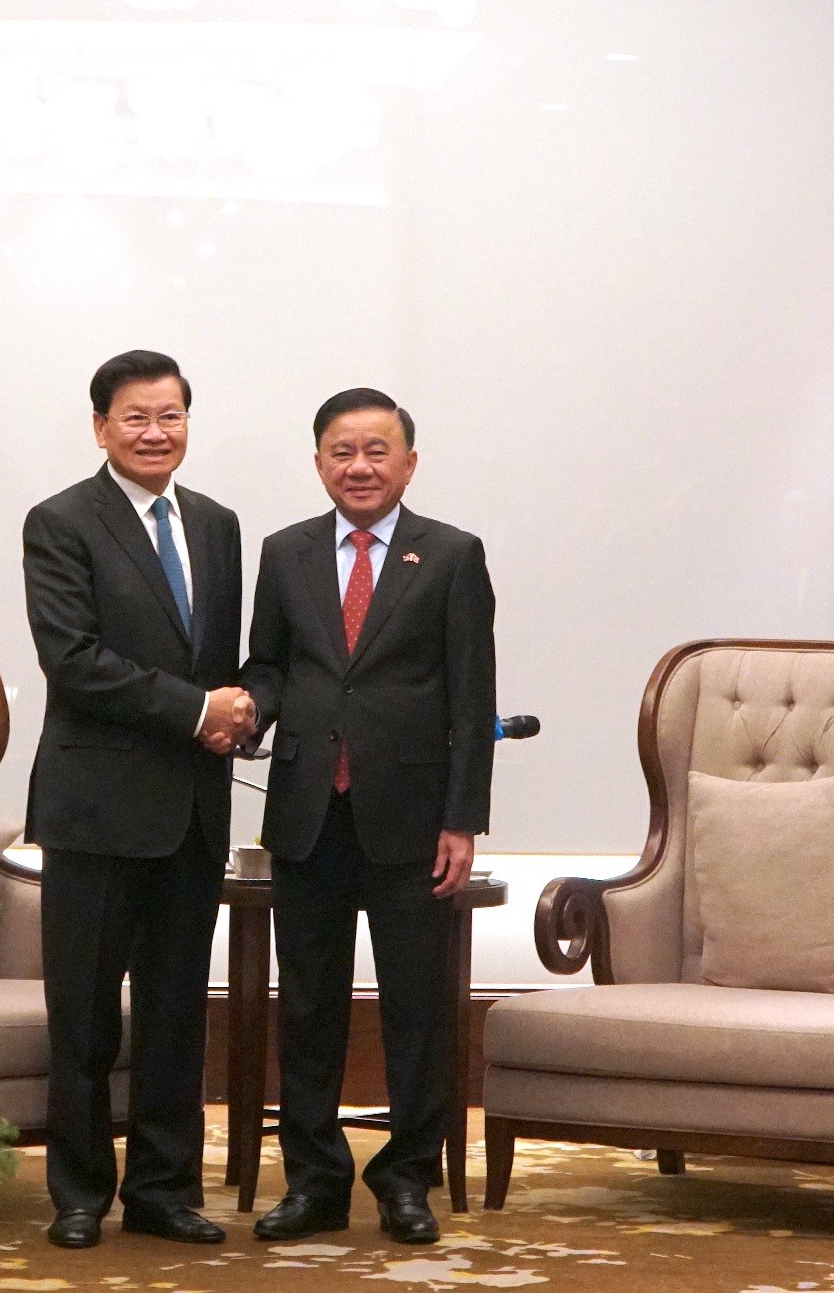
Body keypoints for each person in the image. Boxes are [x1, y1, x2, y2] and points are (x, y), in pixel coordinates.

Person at [240, 388, 495, 1247]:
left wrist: (462, 820)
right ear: (318, 463)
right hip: (309, 811)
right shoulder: (285, 552)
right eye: (341, 452)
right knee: (308, 1007)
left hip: (413, 819)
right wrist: (246, 712)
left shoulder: (451, 555)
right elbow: (270, 664)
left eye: (376, 451)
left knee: (416, 1009)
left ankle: (406, 1179)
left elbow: (473, 698)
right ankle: (313, 1180)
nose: (359, 466)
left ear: (409, 463)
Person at [21, 349, 247, 1250]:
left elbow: (220, 663)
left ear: (189, 422)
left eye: (171, 416)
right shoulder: (61, 522)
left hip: (192, 809)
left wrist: (241, 710)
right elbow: (73, 660)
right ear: (100, 428)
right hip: (96, 809)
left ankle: (163, 1191)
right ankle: (79, 1193)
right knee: (83, 1017)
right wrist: (197, 710)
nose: (156, 433)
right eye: (136, 418)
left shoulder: (218, 525)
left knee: (176, 1015)